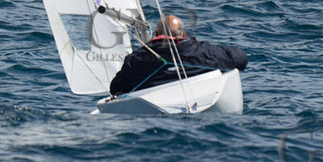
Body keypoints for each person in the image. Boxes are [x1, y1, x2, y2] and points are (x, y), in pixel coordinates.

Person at [99, 11, 248, 98]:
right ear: (183, 34)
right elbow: (241, 58)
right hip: (200, 101)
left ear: (156, 34)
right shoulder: (205, 51)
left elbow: (116, 88)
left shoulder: (136, 60)